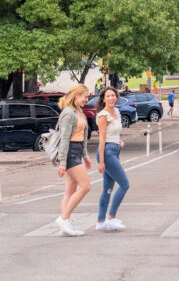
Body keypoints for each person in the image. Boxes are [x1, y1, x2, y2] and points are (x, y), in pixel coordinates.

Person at [54, 84, 93, 236]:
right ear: (76, 95)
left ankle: (65, 224)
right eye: (85, 96)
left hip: (76, 151)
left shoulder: (78, 111)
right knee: (85, 186)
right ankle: (64, 219)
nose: (86, 99)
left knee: (70, 190)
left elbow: (81, 137)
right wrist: (62, 162)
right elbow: (64, 139)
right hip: (70, 152)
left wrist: (85, 155)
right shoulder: (68, 113)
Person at [95, 86, 129, 232]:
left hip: (114, 149)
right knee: (124, 184)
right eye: (108, 96)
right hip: (106, 152)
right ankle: (111, 218)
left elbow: (114, 132)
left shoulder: (116, 112)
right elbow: (102, 139)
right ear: (103, 99)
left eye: (113, 95)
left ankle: (100, 221)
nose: (111, 98)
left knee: (107, 189)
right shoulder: (103, 115)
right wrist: (101, 161)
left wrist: (118, 142)